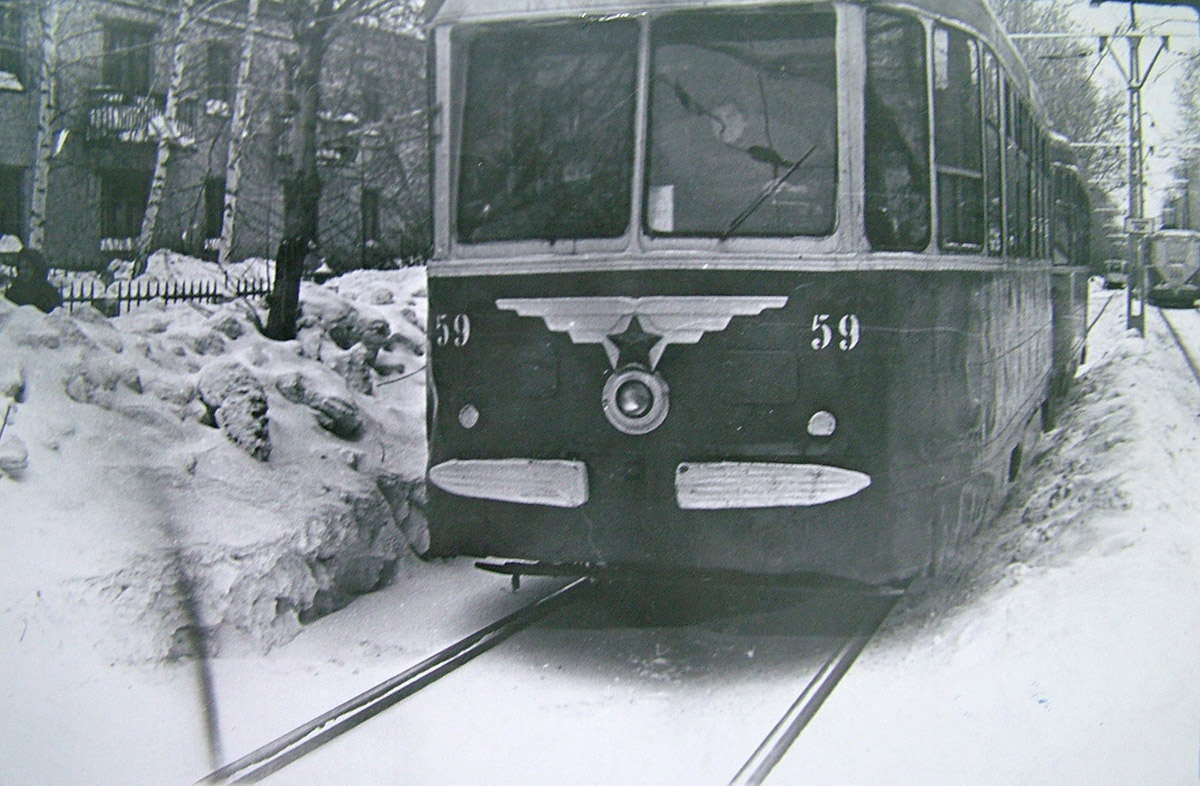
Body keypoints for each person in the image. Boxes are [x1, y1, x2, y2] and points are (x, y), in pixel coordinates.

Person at [4, 248, 62, 313]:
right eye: (21, 268)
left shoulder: (50, 295)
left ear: (36, 269)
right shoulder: (14, 291)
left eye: (27, 267)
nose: (23, 271)